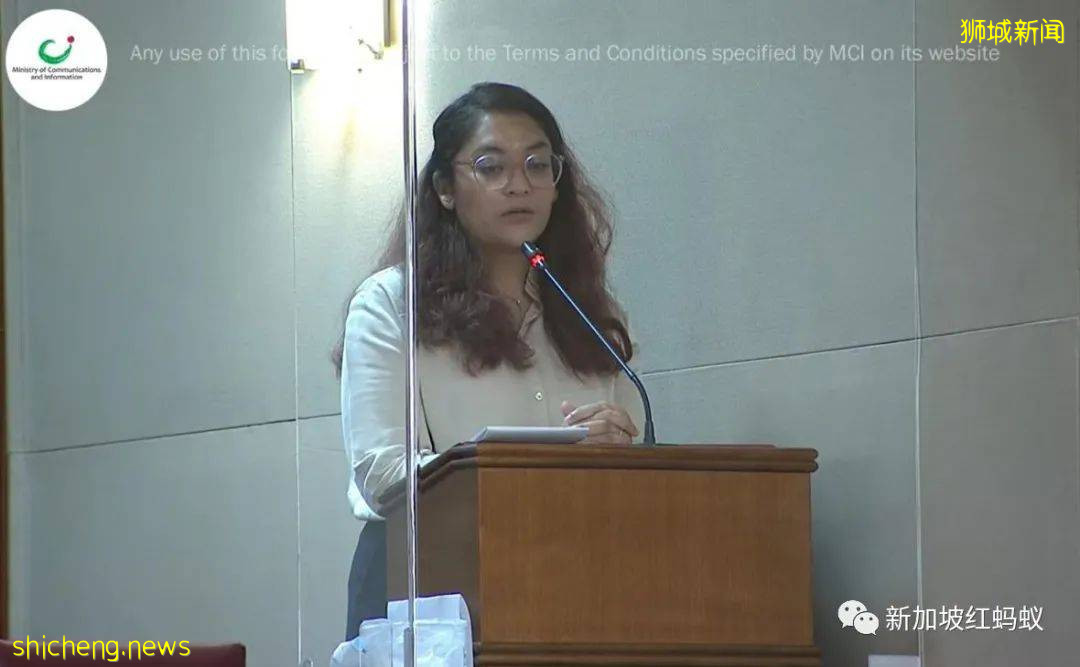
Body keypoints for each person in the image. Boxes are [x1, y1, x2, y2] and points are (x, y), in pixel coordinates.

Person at [331, 81, 646, 640]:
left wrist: (617, 450)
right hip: (428, 583)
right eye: (491, 166)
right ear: (445, 189)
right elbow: (382, 472)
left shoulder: (586, 311)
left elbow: (635, 450)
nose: (519, 184)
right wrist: (508, 471)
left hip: (572, 574)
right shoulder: (392, 304)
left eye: (538, 165)